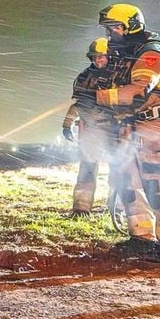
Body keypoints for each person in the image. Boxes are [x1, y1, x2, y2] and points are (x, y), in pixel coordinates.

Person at [87, 3, 160, 260]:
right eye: (108, 29)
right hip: (128, 126)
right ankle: (141, 238)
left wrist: (95, 96)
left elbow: (138, 90)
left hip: (153, 125)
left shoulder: (152, 52)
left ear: (132, 26)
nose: (111, 34)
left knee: (155, 183)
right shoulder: (125, 55)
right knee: (127, 180)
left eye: (115, 28)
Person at [61, 37, 121, 215]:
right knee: (87, 169)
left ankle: (116, 208)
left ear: (110, 55)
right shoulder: (85, 77)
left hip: (115, 129)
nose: (97, 60)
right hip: (91, 130)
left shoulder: (122, 75)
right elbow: (77, 106)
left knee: (118, 169)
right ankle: (81, 208)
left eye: (101, 56)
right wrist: (67, 125)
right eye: (94, 57)